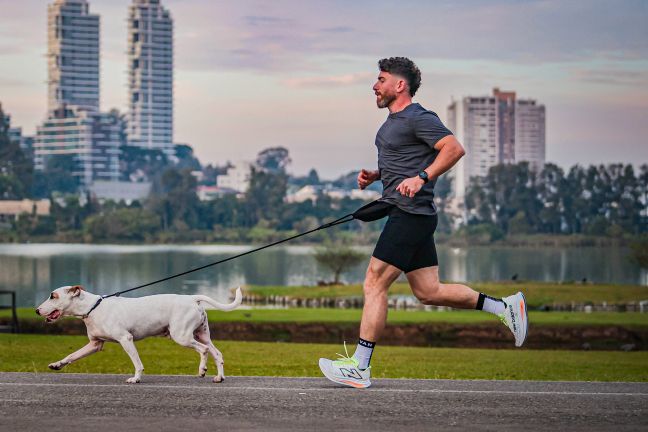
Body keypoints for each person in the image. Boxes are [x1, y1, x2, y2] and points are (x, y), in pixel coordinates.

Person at [318, 57, 528, 389]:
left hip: (410, 215)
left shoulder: (419, 117)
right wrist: (378, 176)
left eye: (381, 79)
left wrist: (421, 177)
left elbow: (454, 149)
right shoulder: (391, 123)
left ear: (399, 85)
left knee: (374, 284)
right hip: (414, 215)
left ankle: (359, 366)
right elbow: (406, 162)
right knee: (429, 292)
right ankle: (505, 307)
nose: (375, 85)